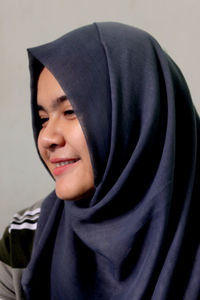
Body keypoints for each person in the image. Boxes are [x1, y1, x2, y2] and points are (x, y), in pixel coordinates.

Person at [0, 22, 199, 300]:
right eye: (43, 119)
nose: (46, 138)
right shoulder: (26, 237)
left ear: (139, 116)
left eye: (70, 111)